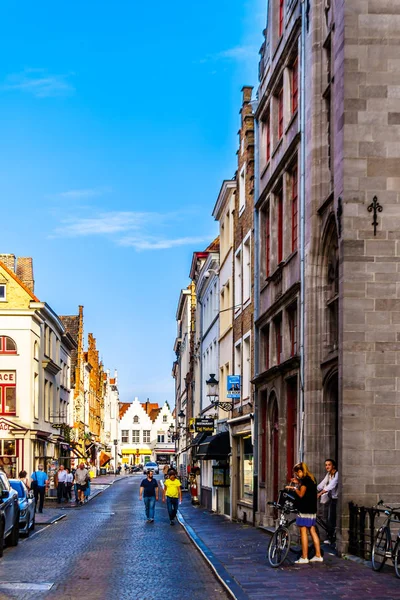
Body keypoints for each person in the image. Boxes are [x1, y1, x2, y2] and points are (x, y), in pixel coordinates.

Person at [286, 462, 323, 564]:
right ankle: (318, 555)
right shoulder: (312, 479)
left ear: (301, 471)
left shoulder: (305, 481)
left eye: (297, 473)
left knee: (303, 532)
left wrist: (294, 488)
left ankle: (304, 557)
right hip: (312, 509)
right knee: (312, 531)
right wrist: (298, 483)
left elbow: (301, 494)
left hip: (304, 509)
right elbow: (307, 490)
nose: (297, 476)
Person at [317, 458, 338, 543]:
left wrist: (320, 493)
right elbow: (321, 484)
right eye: (326, 465)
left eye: (329, 465)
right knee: (330, 519)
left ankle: (334, 538)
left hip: (338, 500)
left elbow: (332, 485)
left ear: (333, 466)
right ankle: (330, 538)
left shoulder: (337, 474)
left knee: (334, 518)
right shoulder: (329, 474)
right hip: (332, 499)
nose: (327, 466)